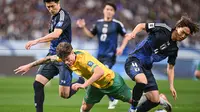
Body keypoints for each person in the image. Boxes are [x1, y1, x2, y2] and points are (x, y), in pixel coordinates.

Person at [14, 42, 133, 112]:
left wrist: (84, 84)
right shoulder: (64, 56)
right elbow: (48, 58)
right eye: (64, 60)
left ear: (72, 52)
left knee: (135, 101)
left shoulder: (84, 58)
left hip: (111, 82)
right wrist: (29, 65)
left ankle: (149, 97)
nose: (67, 62)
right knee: (85, 107)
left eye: (68, 59)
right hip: (95, 85)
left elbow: (99, 72)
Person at [18, 0, 84, 112]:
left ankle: (81, 81)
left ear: (59, 4)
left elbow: (56, 34)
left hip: (64, 57)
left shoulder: (63, 16)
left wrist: (36, 41)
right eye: (48, 7)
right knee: (37, 84)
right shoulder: (53, 17)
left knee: (65, 95)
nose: (50, 9)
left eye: (52, 6)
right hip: (52, 55)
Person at [123, 16, 199, 112]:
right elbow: (141, 26)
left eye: (186, 35)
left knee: (155, 100)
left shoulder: (174, 50)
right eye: (183, 32)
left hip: (146, 68)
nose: (183, 36)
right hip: (134, 59)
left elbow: (170, 68)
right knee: (141, 81)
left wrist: (171, 86)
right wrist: (133, 34)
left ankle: (149, 104)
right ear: (178, 27)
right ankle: (133, 108)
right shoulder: (162, 28)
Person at [76, 2, 130, 109]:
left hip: (110, 56)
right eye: (107, 9)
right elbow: (91, 35)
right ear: (103, 10)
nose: (108, 11)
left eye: (111, 10)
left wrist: (121, 48)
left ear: (114, 12)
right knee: (100, 78)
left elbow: (126, 36)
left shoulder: (117, 24)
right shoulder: (98, 23)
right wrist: (83, 27)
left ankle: (114, 98)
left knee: (101, 75)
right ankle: (112, 98)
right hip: (99, 56)